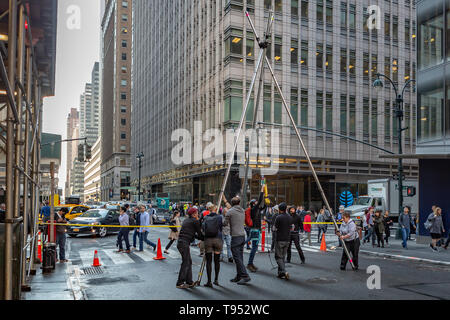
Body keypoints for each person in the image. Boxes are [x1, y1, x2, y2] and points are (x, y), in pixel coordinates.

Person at [225, 196, 251, 285]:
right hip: (242, 235)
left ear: (232, 204)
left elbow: (225, 223)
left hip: (235, 236)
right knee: (240, 257)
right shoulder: (243, 210)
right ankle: (239, 275)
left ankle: (245, 275)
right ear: (239, 203)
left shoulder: (230, 212)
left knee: (237, 257)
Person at [176, 207, 204, 289]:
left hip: (181, 243)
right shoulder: (195, 221)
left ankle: (189, 281)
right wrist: (204, 238)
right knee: (186, 262)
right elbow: (199, 234)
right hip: (184, 243)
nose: (198, 214)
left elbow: (192, 233)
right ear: (194, 214)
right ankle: (180, 283)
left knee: (188, 261)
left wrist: (200, 237)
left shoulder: (186, 220)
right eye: (196, 212)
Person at [202, 204, 223, 287]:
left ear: (209, 210)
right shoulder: (219, 217)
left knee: (209, 261)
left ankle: (209, 281)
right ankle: (216, 280)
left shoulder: (205, 217)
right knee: (217, 261)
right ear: (216, 209)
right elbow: (221, 227)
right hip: (217, 239)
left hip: (208, 240)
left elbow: (203, 228)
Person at [246, 184, 266, 273]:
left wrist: (266, 198)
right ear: (253, 204)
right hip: (255, 230)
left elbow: (264, 206)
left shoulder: (256, 209)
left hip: (255, 229)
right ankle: (250, 264)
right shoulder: (254, 209)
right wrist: (262, 190)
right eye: (256, 202)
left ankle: (250, 263)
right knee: (254, 247)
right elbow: (260, 201)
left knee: (253, 245)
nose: (257, 203)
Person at [273, 202, 292, 280]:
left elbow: (274, 228)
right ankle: (280, 273)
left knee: (278, 257)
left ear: (279, 209)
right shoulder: (289, 217)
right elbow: (291, 227)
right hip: (287, 239)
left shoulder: (278, 217)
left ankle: (284, 271)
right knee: (282, 257)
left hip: (280, 239)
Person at [221, 195, 233, 263]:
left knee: (229, 245)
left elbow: (229, 207)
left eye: (226, 211)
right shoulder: (221, 217)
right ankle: (221, 256)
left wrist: (224, 199)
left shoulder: (230, 216)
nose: (226, 212)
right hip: (222, 232)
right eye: (224, 211)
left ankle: (230, 256)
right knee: (221, 245)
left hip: (228, 232)